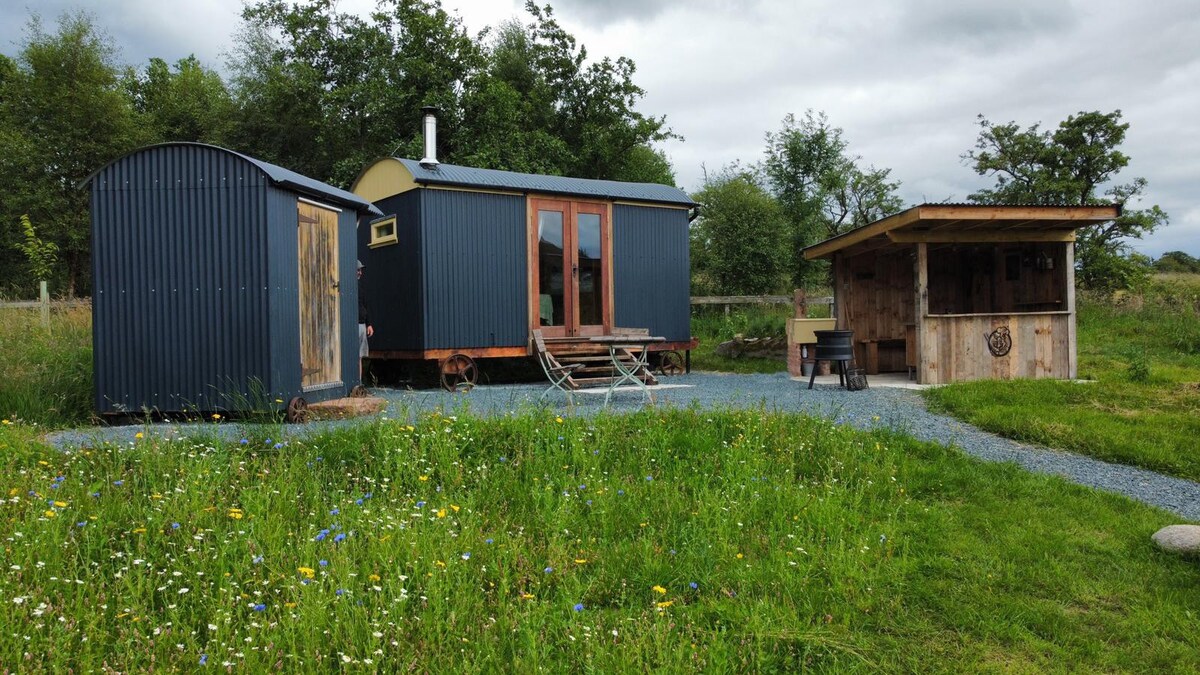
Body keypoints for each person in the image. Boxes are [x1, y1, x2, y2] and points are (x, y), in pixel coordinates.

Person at [357, 260, 373, 381]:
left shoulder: (361, 286)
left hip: (362, 324)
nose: (360, 272)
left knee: (360, 356)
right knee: (354, 356)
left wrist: (369, 324)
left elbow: (365, 306)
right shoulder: (350, 286)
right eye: (358, 270)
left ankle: (359, 382)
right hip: (353, 325)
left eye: (360, 270)